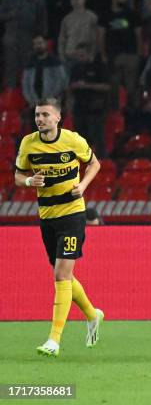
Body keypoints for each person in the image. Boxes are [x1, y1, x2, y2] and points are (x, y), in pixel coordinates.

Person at [14, 97, 104, 357]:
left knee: (61, 275)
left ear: (57, 118)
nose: (40, 119)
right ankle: (92, 314)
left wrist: (83, 186)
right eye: (37, 115)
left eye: (45, 115)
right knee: (61, 273)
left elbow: (95, 163)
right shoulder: (28, 144)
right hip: (47, 215)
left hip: (73, 214)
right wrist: (30, 181)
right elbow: (17, 176)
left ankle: (54, 340)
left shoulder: (73, 140)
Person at [69, 43, 112, 158]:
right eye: (78, 56)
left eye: (82, 55)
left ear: (89, 54)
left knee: (97, 138)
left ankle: (101, 163)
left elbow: (106, 87)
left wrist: (87, 85)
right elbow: (70, 86)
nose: (80, 58)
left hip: (95, 108)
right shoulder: (76, 68)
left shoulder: (100, 67)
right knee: (80, 139)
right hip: (79, 108)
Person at [0, 0, 47, 88]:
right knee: (11, 65)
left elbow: (42, 17)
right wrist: (11, 14)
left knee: (28, 65)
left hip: (29, 36)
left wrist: (41, 35)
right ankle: (10, 91)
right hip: (11, 36)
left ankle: (28, 91)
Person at [22, 35, 69, 113]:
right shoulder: (30, 63)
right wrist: (31, 100)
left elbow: (62, 82)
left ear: (46, 43)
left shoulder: (55, 61)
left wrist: (49, 99)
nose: (38, 46)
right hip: (34, 104)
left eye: (40, 43)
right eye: (35, 44)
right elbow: (25, 83)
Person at [58, 0, 99, 71]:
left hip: (85, 57)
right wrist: (62, 56)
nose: (75, 1)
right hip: (69, 56)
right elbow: (62, 39)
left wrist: (92, 55)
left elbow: (95, 38)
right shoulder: (66, 19)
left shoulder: (92, 17)